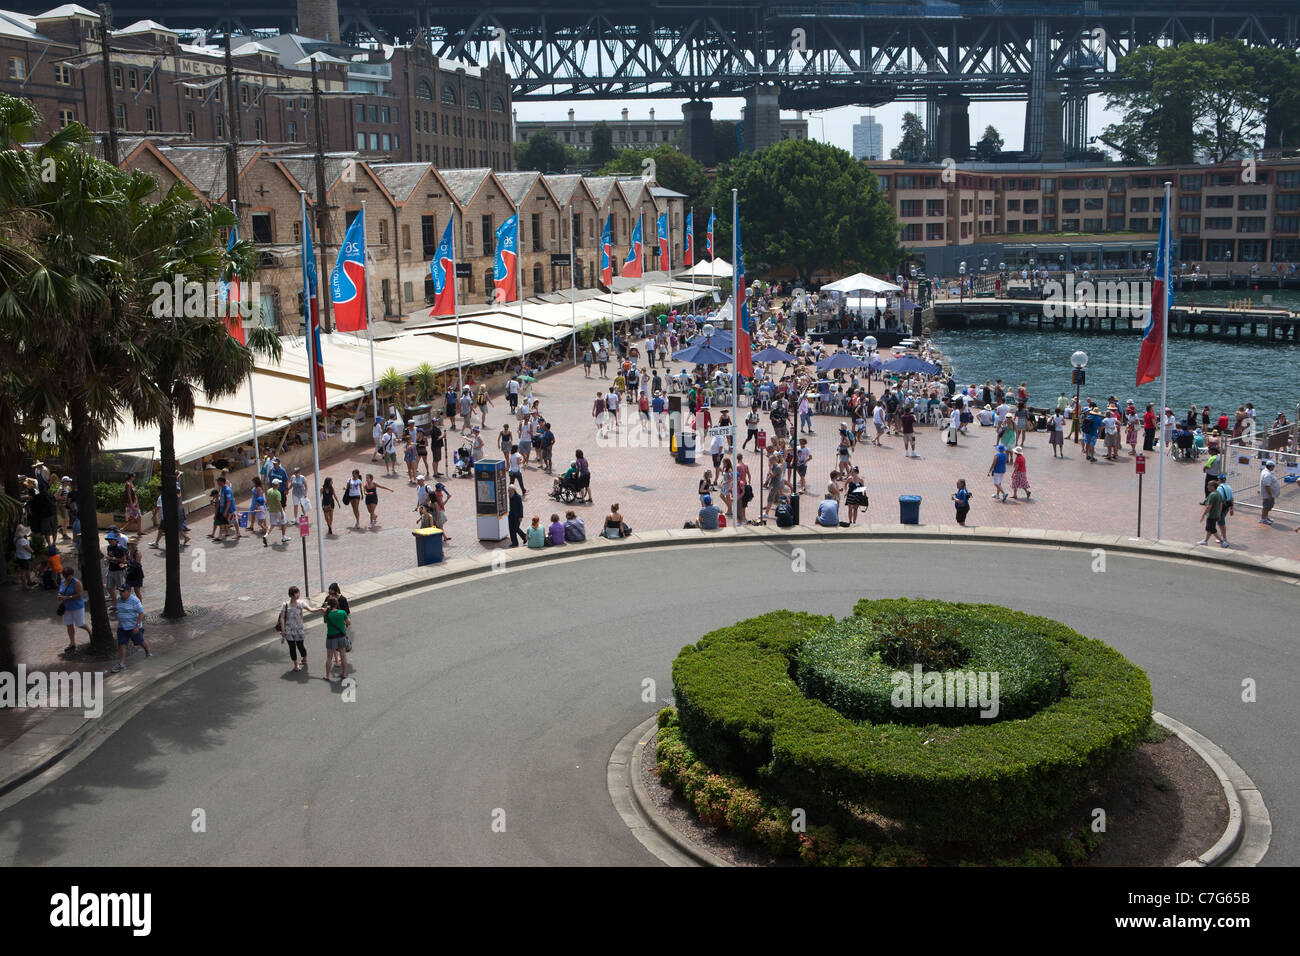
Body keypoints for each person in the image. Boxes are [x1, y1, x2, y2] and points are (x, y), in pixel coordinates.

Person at [109, 584, 152, 673]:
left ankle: (148, 652)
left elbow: (141, 613)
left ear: (128, 592)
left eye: (123, 592)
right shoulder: (119, 600)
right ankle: (121, 663)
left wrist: (137, 626)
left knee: (140, 641)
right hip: (122, 627)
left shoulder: (135, 601)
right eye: (120, 592)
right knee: (122, 644)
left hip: (133, 627)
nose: (121, 594)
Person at [58, 565, 91, 654]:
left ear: (71, 574)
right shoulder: (63, 581)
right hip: (67, 607)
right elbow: (61, 590)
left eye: (67, 575)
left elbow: (79, 594)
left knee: (80, 624)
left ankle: (90, 633)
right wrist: (60, 595)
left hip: (77, 607)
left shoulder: (76, 582)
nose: (66, 577)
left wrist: (68, 597)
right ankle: (72, 643)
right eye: (65, 576)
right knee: (69, 625)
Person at [322, 595, 350, 680]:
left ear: (329, 605)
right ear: (337, 603)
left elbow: (325, 621)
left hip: (331, 637)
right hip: (341, 636)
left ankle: (327, 675)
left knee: (329, 657)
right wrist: (345, 625)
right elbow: (349, 622)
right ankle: (344, 673)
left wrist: (325, 607)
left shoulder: (328, 614)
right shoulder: (342, 612)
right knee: (343, 655)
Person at [1198, 480, 1228, 548]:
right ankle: (1205, 541)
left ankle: (1223, 542)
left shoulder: (1212, 495)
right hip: (1216, 514)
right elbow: (1221, 504)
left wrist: (1203, 514)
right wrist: (1219, 514)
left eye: (1209, 485)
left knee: (1211, 529)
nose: (1207, 487)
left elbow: (1209, 506)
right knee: (1209, 528)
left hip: (1211, 515)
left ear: (1212, 487)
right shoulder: (1218, 494)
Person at [266, 478, 288, 543]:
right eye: (278, 483)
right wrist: (282, 513)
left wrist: (267, 506)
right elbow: (279, 503)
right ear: (276, 485)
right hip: (277, 511)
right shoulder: (277, 493)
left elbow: (267, 500)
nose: (279, 484)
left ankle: (266, 535)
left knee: (272, 524)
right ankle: (284, 537)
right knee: (283, 523)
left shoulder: (269, 491)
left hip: (271, 510)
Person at [1260, 460, 1282, 524]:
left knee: (1268, 506)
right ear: (1270, 467)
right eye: (1273, 467)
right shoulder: (1267, 475)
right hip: (1268, 494)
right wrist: (1270, 495)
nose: (1274, 468)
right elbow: (1267, 485)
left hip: (1270, 494)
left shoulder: (1266, 471)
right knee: (1266, 507)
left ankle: (1265, 517)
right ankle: (1263, 519)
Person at [14, 523, 35, 590]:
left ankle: (29, 581)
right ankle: (25, 585)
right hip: (24, 557)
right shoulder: (22, 540)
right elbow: (27, 548)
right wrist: (32, 551)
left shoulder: (16, 539)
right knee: (23, 571)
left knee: (27, 569)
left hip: (20, 556)